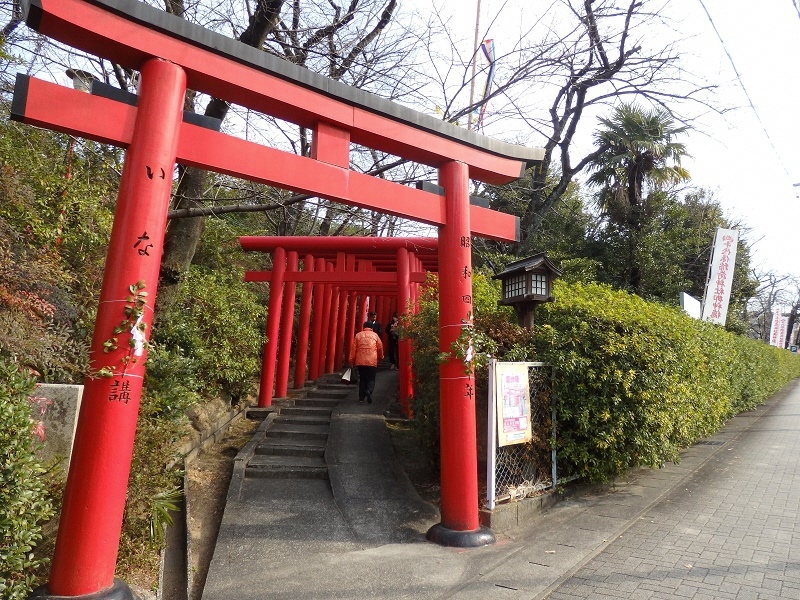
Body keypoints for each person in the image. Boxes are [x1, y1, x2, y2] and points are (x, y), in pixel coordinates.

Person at [348, 322, 384, 404]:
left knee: (363, 379)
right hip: (372, 361)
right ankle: (369, 391)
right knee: (371, 378)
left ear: (364, 327)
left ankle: (361, 397)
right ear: (372, 328)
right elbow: (380, 347)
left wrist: (351, 360)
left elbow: (353, 349)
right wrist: (380, 357)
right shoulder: (375, 336)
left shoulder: (358, 335)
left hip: (360, 361)